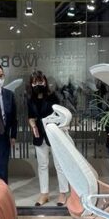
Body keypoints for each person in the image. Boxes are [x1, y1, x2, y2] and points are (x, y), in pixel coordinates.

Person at [26, 71, 69, 206]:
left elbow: (60, 115)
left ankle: (63, 193)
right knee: (42, 165)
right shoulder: (30, 100)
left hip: (54, 134)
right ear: (31, 84)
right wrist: (32, 124)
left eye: (40, 81)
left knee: (59, 165)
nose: (37, 84)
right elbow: (30, 116)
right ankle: (44, 194)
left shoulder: (53, 97)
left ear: (45, 82)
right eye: (35, 82)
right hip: (39, 135)